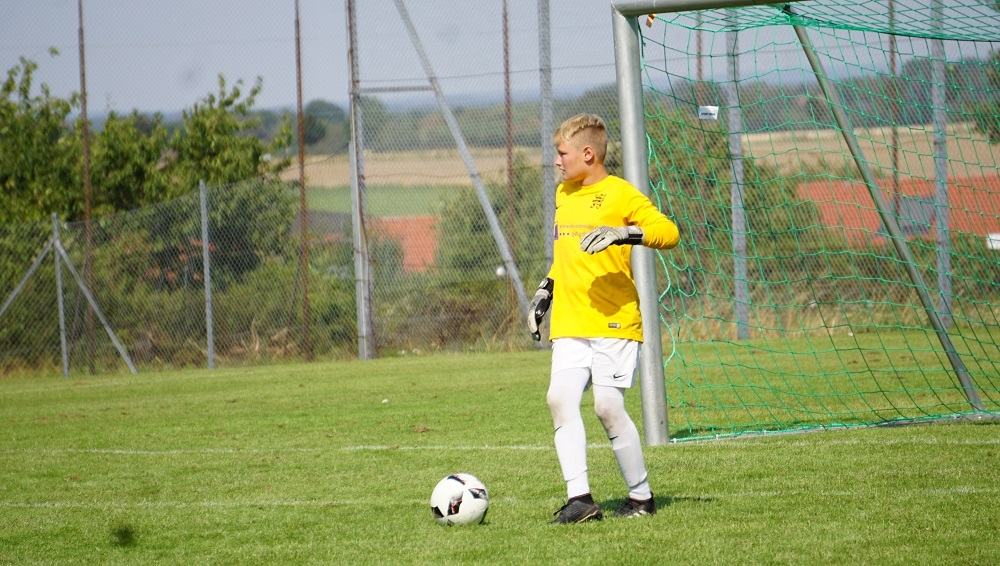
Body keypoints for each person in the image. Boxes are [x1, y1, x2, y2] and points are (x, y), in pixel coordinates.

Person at [527, 113, 680, 524]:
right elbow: (566, 258)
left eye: (562, 153)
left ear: (587, 154)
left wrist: (623, 233)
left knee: (608, 407)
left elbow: (669, 232)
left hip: (614, 319)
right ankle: (580, 500)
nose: (556, 161)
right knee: (559, 399)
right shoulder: (563, 194)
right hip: (570, 322)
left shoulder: (621, 194)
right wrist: (545, 291)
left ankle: (641, 498)